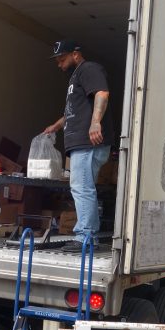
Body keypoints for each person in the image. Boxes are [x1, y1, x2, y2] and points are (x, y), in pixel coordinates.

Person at [42, 38, 114, 253]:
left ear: (75, 54)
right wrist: (56, 126)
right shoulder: (75, 77)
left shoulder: (89, 69)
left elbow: (102, 93)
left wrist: (95, 122)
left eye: (62, 59)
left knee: (82, 187)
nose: (59, 64)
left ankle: (86, 237)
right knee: (82, 186)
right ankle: (86, 234)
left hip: (88, 142)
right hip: (82, 143)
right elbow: (73, 111)